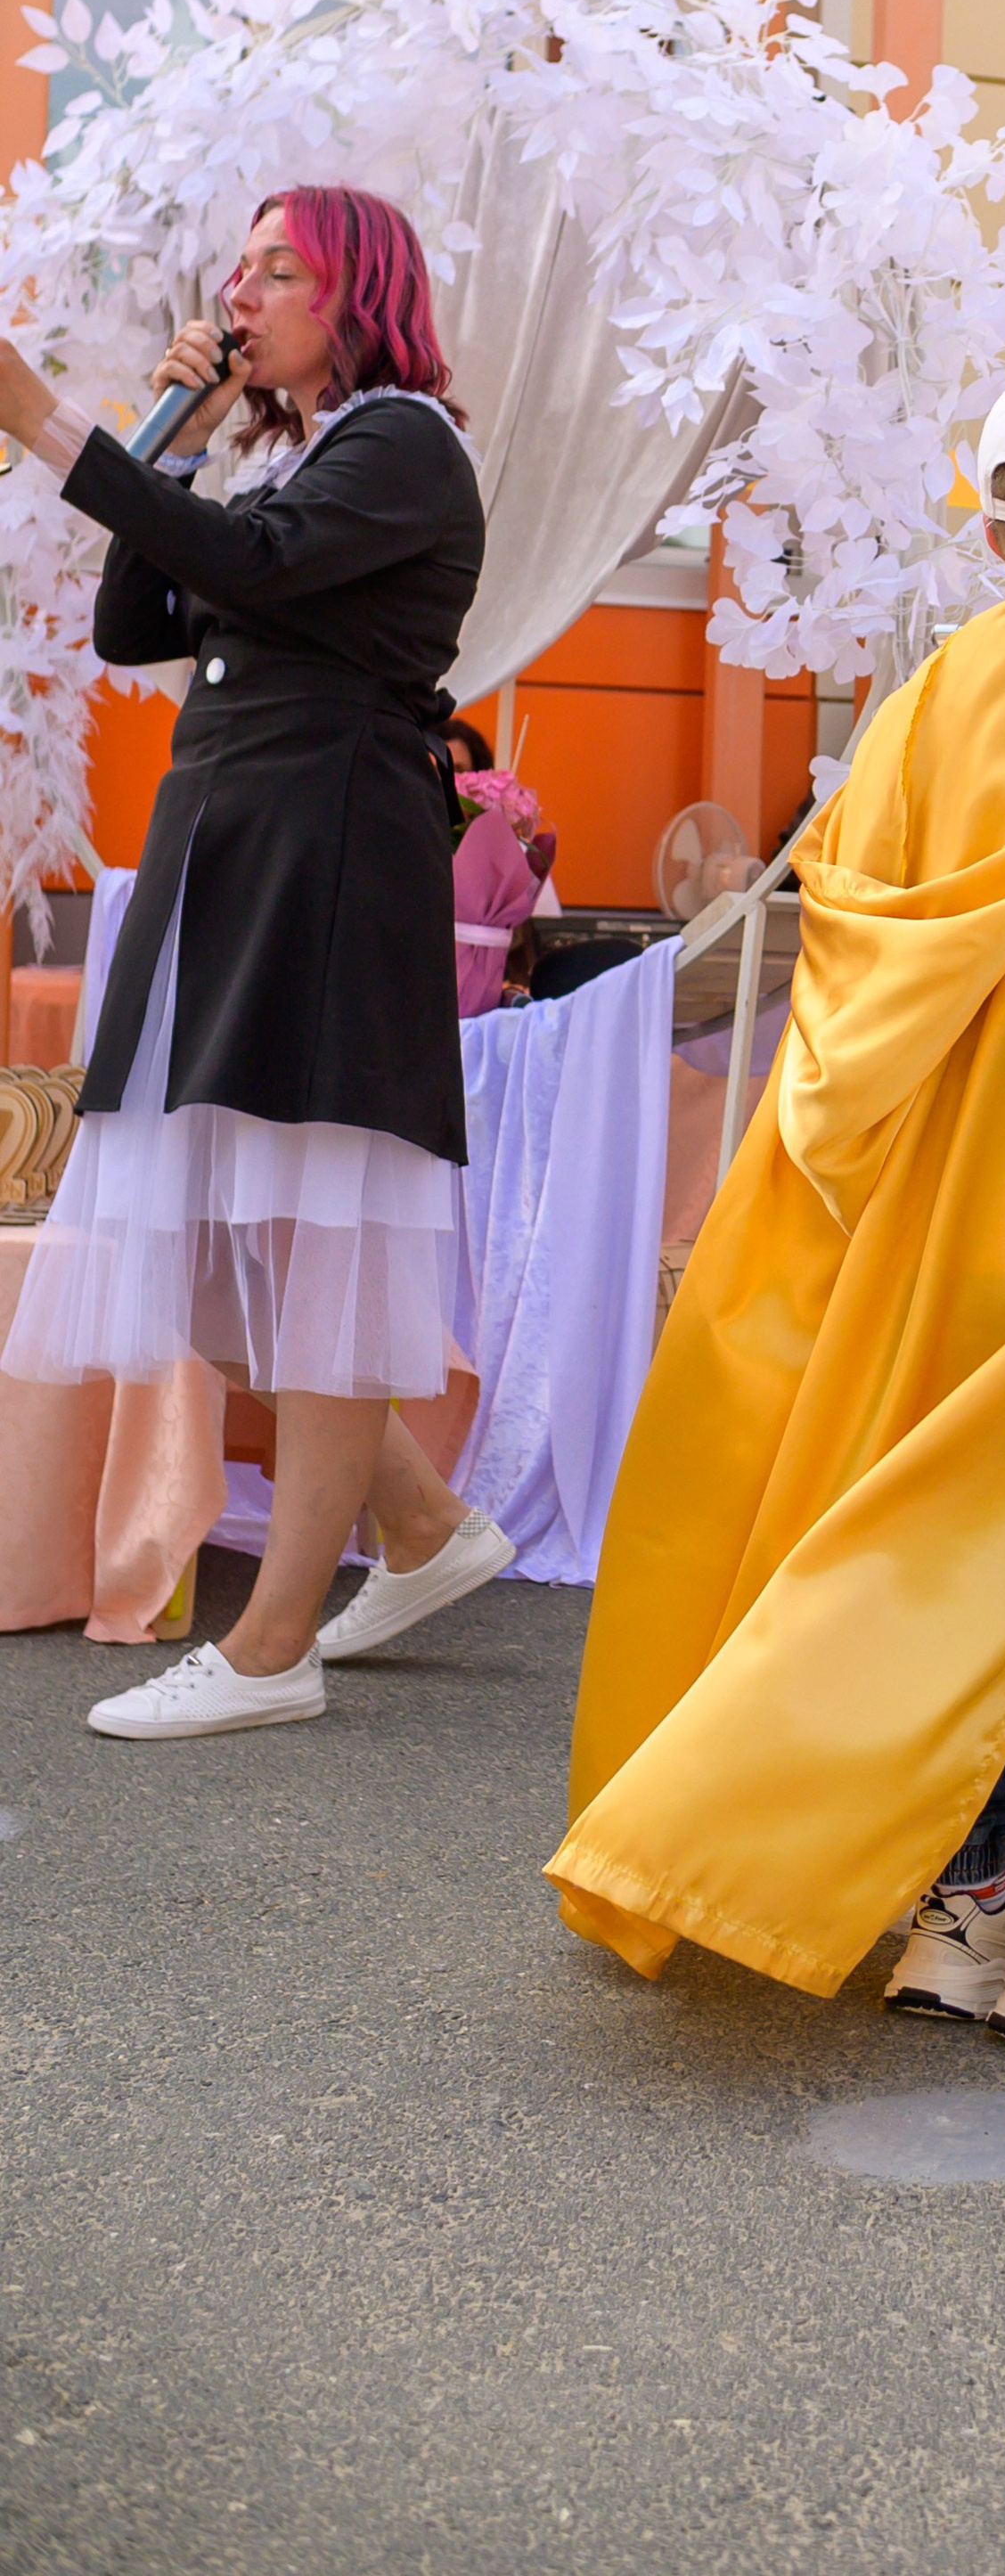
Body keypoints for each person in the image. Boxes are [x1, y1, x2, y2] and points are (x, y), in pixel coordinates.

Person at [547, 364, 1005, 2055]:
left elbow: (846, 988)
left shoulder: (922, 702)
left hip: (920, 1218)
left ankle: (968, 1904)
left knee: (928, 1545)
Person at [0, 185, 517, 1736]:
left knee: (313, 1245)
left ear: (358, 290)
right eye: (239, 267)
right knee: (217, 1254)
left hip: (324, 860)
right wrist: (170, 431)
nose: (243, 287)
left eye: (278, 266)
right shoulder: (280, 453)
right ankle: (422, 1526)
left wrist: (46, 422)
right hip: (230, 852)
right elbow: (133, 621)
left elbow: (257, 566)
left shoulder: (404, 439)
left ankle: (273, 1645)